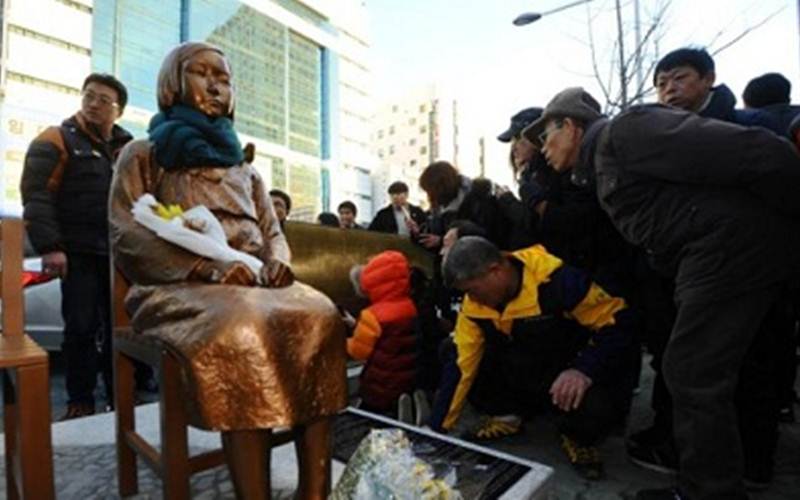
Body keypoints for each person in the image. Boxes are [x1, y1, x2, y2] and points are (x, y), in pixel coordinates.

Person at [524, 86, 800, 500]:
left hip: (730, 253)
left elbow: (760, 151)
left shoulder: (626, 132)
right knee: (695, 371)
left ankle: (708, 492)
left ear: (571, 125)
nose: (542, 148)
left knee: (693, 372)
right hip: (712, 260)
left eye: (546, 135)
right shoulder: (598, 168)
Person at [108, 42, 346, 498]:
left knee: (323, 316)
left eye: (224, 77)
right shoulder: (143, 153)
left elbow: (272, 230)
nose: (216, 84)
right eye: (201, 73)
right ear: (173, 82)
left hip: (254, 279)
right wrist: (203, 266)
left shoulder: (244, 167)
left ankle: (314, 491)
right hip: (178, 284)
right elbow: (125, 231)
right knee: (241, 328)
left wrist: (277, 262)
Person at [430, 236, 637, 480]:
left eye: (471, 290)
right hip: (522, 371)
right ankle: (508, 416)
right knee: (451, 350)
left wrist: (584, 369)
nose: (471, 300)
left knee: (601, 396)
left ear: (495, 271)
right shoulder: (474, 307)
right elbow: (461, 365)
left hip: (564, 372)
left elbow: (620, 325)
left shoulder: (560, 282)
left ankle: (578, 436)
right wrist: (435, 434)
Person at [20, 73, 133, 419]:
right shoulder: (56, 139)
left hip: (118, 256)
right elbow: (36, 195)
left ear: (118, 111)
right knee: (81, 327)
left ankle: (121, 398)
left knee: (122, 330)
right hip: (79, 252)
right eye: (89, 96)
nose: (93, 104)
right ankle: (80, 401)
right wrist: (51, 246)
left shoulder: (128, 151)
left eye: (103, 100)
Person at [345, 251, 420, 420]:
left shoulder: (372, 315)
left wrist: (342, 342)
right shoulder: (410, 306)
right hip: (406, 382)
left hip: (380, 387)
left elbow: (359, 352)